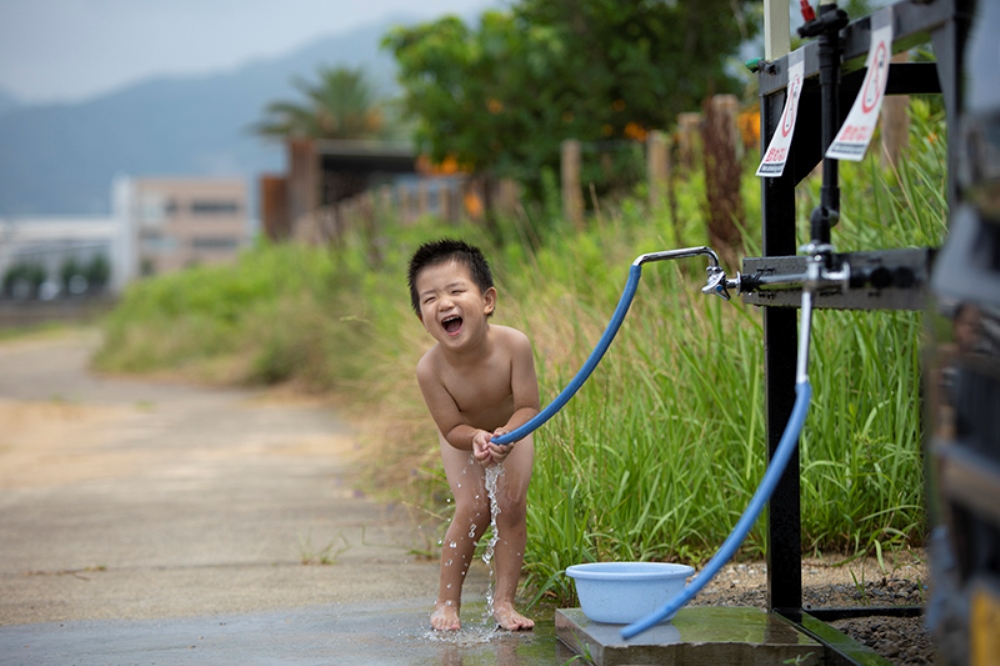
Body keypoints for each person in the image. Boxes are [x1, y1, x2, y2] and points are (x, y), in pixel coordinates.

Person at [407, 239, 540, 632]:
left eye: (456, 290)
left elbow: (529, 406)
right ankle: (447, 602)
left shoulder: (515, 345)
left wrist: (506, 435)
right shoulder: (430, 370)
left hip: (514, 430)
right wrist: (477, 438)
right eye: (429, 298)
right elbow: (450, 428)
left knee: (511, 506)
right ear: (422, 318)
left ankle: (504, 602)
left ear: (487, 300)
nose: (443, 303)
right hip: (462, 439)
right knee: (473, 508)